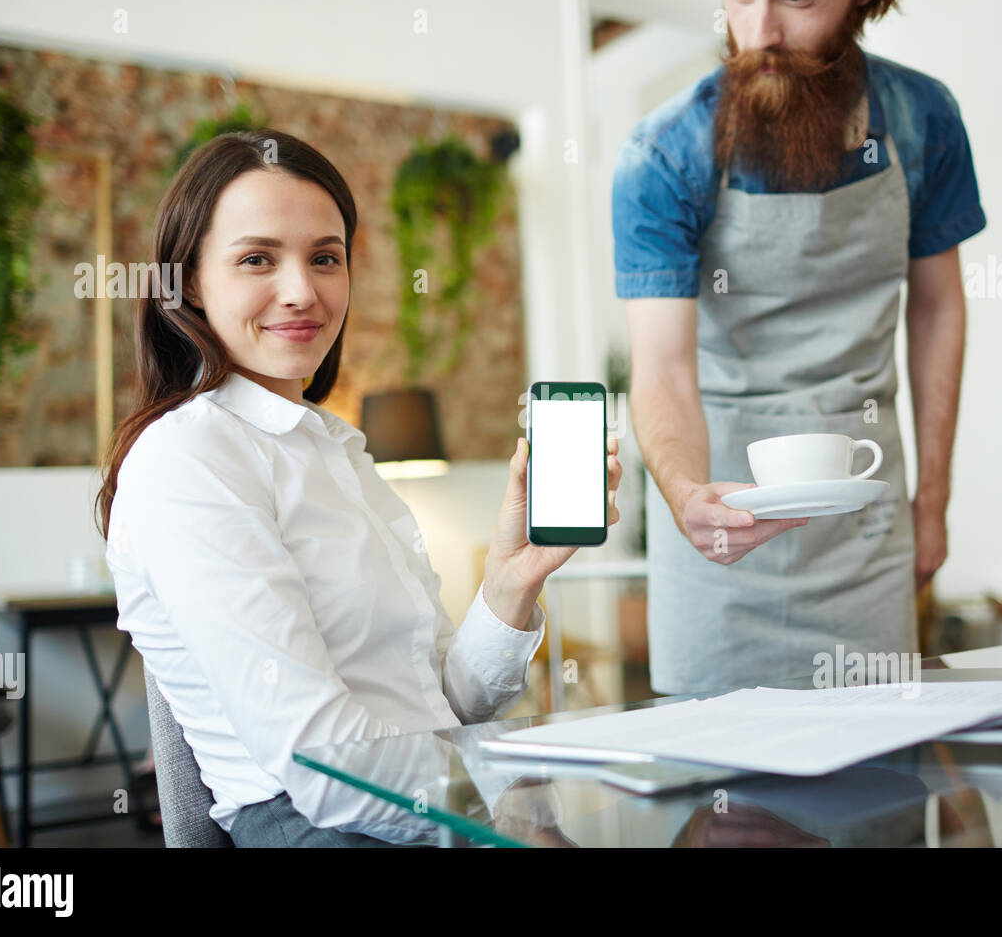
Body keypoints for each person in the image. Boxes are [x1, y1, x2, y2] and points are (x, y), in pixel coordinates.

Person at [96, 129, 622, 847]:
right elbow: (325, 764)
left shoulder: (334, 449)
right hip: (329, 827)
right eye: (257, 258)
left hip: (423, 804)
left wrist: (509, 581)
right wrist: (499, 807)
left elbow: (449, 705)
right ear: (187, 280)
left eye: (325, 258)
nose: (302, 291)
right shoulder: (188, 458)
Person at [613, 0, 986, 694]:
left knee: (879, 784)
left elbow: (939, 310)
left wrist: (932, 505)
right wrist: (689, 494)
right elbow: (662, 367)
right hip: (719, 527)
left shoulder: (923, 120)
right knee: (718, 797)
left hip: (865, 536)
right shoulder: (661, 153)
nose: (760, 32)